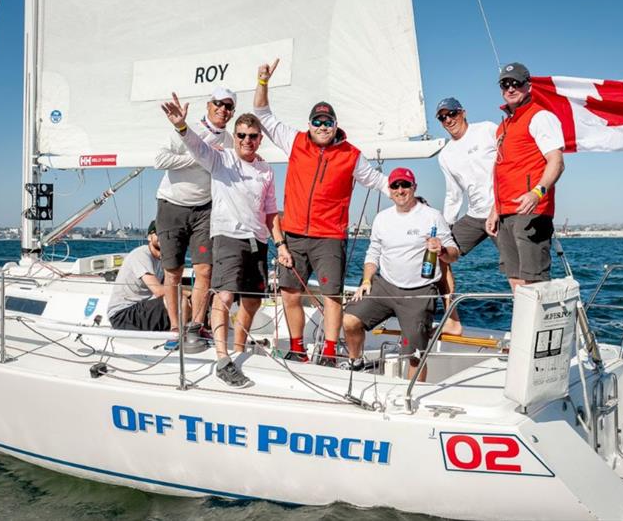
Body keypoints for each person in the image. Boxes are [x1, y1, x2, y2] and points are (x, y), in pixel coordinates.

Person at [253, 58, 389, 365]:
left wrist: (408, 195)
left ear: (335, 125)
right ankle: (298, 348)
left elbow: (380, 182)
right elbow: (262, 114)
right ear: (310, 124)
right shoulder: (295, 141)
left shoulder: (351, 155)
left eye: (328, 122)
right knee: (289, 293)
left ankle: (328, 351)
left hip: (329, 237)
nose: (322, 127)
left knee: (331, 297)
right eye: (317, 122)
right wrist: (262, 82)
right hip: (295, 235)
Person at [162, 94, 284, 388]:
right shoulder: (221, 158)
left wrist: (281, 245)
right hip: (227, 236)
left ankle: (239, 349)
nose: (246, 140)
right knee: (225, 296)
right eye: (241, 135)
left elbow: (270, 212)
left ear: (259, 140)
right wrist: (181, 127)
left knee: (253, 302)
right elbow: (196, 146)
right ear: (236, 136)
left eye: (253, 136)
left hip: (258, 241)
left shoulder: (266, 170)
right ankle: (222, 358)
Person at [343, 168, 459, 381]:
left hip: (419, 291)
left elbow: (454, 254)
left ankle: (411, 394)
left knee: (415, 356)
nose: (400, 190)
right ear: (390, 189)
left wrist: (441, 250)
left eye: (405, 185)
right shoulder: (382, 218)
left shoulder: (432, 216)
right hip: (385, 286)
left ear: (414, 187)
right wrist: (367, 280)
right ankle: (356, 362)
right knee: (350, 320)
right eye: (395, 186)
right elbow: (373, 253)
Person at [154, 87, 236, 342]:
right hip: (171, 205)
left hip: (204, 209)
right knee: (173, 272)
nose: (222, 109)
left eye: (228, 106)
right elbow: (159, 160)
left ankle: (196, 325)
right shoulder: (185, 130)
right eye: (218, 104)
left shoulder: (231, 140)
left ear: (232, 113)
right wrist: (198, 157)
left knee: (204, 270)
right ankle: (175, 328)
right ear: (208, 106)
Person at [484, 63, 565, 291]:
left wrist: (537, 193)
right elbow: (505, 172)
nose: (510, 88)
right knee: (515, 279)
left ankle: (538, 326)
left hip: (531, 212)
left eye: (516, 83)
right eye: (505, 84)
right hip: (505, 213)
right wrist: (494, 210)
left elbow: (557, 162)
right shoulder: (504, 126)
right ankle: (524, 326)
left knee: (534, 281)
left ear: (528, 86)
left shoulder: (540, 117)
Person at [435, 97, 498, 334]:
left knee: (517, 270)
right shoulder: (446, 155)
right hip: (475, 216)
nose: (448, 119)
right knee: (440, 254)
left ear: (463, 112)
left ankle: (528, 326)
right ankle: (452, 320)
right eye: (442, 117)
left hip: (501, 210)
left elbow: (510, 162)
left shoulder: (487, 130)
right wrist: (444, 229)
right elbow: (453, 195)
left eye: (451, 113)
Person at [107, 221, 190, 331]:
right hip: (123, 315)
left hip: (144, 308)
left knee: (192, 302)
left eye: (167, 234)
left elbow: (170, 285)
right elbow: (159, 291)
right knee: (180, 300)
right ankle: (179, 337)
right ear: (149, 237)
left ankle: (190, 332)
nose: (163, 237)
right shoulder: (141, 255)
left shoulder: (165, 259)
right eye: (158, 233)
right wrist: (189, 292)